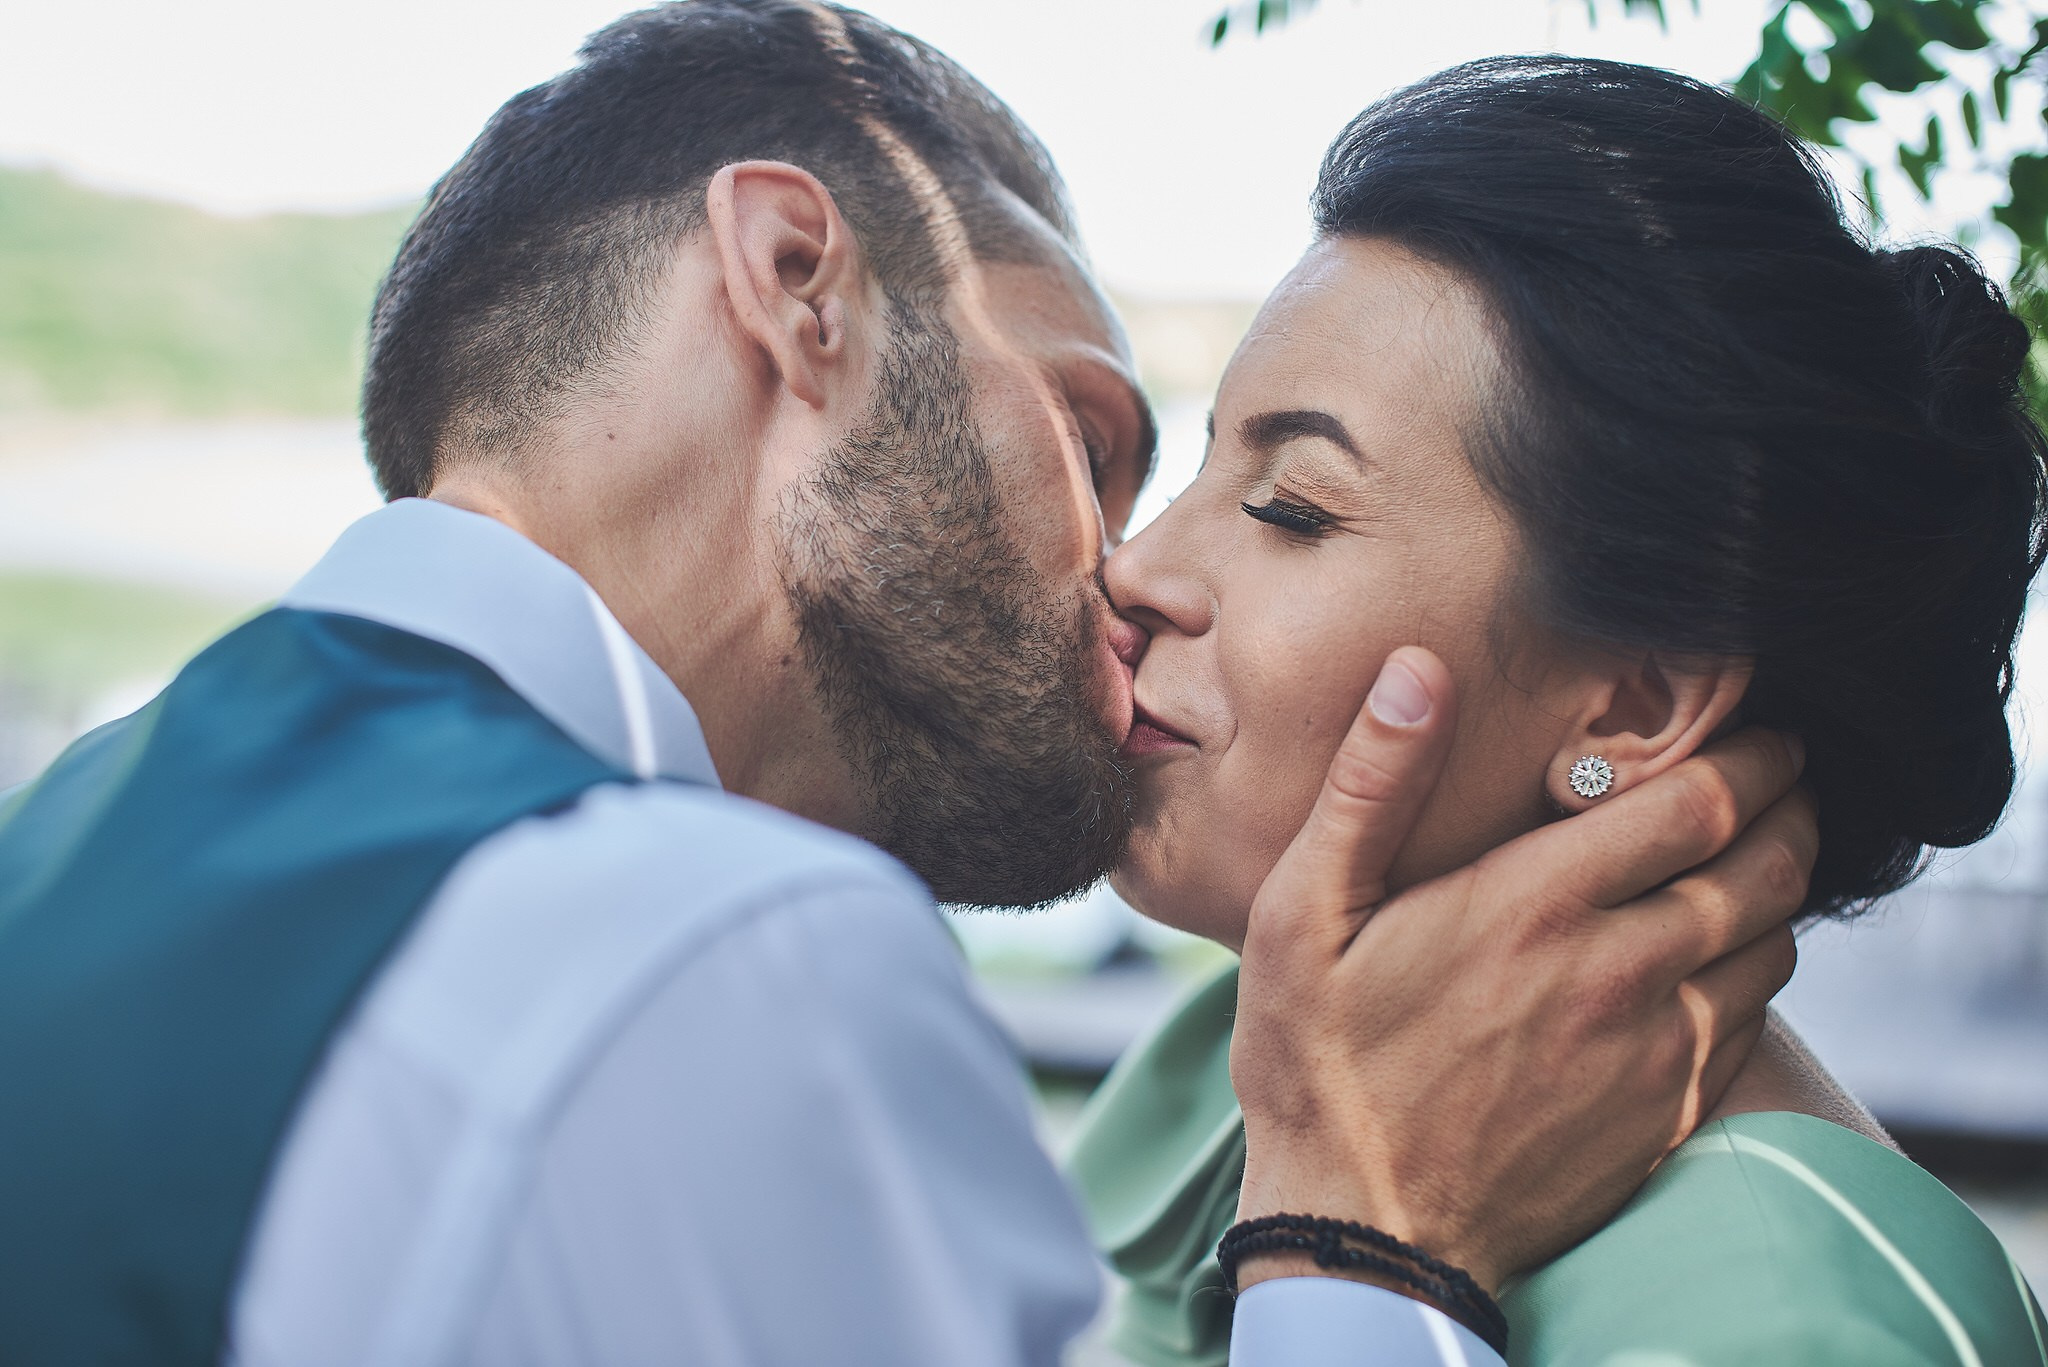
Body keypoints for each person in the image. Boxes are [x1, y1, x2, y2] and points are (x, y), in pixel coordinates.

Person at [0, 14, 1807, 1367]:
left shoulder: (71, 826)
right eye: (1091, 443)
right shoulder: (716, 957)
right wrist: (1368, 1244)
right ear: (802, 287)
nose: (1123, 574)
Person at [1067, 56, 2048, 1367]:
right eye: (1198, 470)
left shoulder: (1792, 1321)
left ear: (1635, 707)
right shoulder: (1243, 1063)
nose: (1135, 566)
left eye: (1289, 508)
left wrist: (1348, 1252)